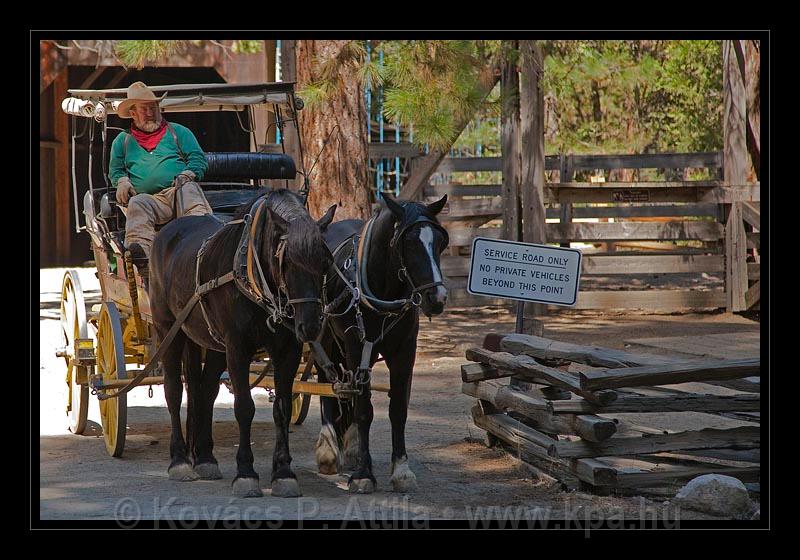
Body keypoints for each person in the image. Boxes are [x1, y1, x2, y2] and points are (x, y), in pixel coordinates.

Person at [108, 81, 211, 272]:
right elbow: (116, 170)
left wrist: (189, 173)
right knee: (137, 202)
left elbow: (197, 158)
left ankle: (203, 239)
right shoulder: (122, 141)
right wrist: (121, 182)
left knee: (190, 188)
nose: (150, 112)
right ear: (133, 113)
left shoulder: (178, 133)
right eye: (144, 108)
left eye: (153, 107)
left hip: (178, 192)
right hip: (150, 202)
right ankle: (142, 257)